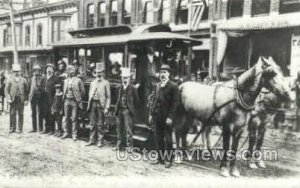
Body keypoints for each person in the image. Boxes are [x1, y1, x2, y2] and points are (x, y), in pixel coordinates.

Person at [149, 64, 180, 168]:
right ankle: (160, 158)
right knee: (158, 138)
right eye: (161, 72)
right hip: (157, 116)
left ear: (169, 74)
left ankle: (169, 159)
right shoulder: (158, 85)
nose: (163, 75)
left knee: (168, 139)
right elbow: (154, 100)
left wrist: (170, 117)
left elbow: (175, 104)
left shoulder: (173, 86)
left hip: (167, 118)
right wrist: (151, 114)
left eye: (165, 73)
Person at [86, 62, 111, 147]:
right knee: (92, 123)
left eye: (100, 72)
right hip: (93, 104)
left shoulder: (106, 83)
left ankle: (100, 140)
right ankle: (92, 140)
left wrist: (107, 107)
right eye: (97, 72)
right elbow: (90, 94)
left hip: (101, 105)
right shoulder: (92, 82)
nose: (98, 74)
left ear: (103, 73)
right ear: (95, 73)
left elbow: (108, 97)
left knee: (100, 124)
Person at [114, 67, 139, 151]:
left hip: (127, 111)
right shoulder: (118, 87)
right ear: (121, 78)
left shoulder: (133, 88)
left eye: (126, 77)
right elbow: (116, 99)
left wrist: (130, 109)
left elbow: (137, 101)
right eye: (123, 77)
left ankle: (129, 147)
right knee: (119, 129)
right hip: (119, 110)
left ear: (129, 78)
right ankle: (119, 145)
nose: (124, 79)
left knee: (128, 129)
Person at [62, 65, 85, 141]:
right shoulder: (65, 81)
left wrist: (78, 98)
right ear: (67, 73)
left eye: (72, 72)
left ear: (74, 72)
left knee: (74, 118)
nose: (71, 73)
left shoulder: (78, 80)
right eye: (69, 72)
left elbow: (83, 91)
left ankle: (74, 134)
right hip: (66, 100)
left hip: (74, 101)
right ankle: (66, 132)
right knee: (66, 117)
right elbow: (64, 90)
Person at [5, 64, 29, 133]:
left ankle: (20, 128)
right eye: (15, 71)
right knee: (12, 114)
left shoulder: (23, 80)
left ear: (20, 72)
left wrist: (26, 99)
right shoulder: (10, 80)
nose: (16, 73)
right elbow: (6, 90)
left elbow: (27, 90)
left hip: (21, 99)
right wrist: (8, 98)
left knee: (21, 114)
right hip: (13, 99)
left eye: (18, 71)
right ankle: (12, 128)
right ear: (12, 72)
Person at [28, 64, 45, 133]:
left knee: (40, 112)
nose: (36, 72)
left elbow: (43, 88)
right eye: (35, 70)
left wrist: (38, 84)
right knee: (33, 113)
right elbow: (30, 87)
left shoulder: (42, 78)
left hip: (40, 96)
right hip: (33, 97)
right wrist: (29, 96)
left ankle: (40, 128)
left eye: (38, 70)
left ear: (40, 71)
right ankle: (34, 128)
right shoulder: (32, 78)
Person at [43, 64, 58, 135]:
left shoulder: (55, 79)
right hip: (45, 99)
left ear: (53, 70)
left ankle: (52, 130)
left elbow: (57, 90)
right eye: (47, 69)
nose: (48, 70)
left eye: (50, 69)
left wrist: (55, 100)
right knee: (45, 113)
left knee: (51, 114)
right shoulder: (45, 78)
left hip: (52, 99)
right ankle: (46, 129)